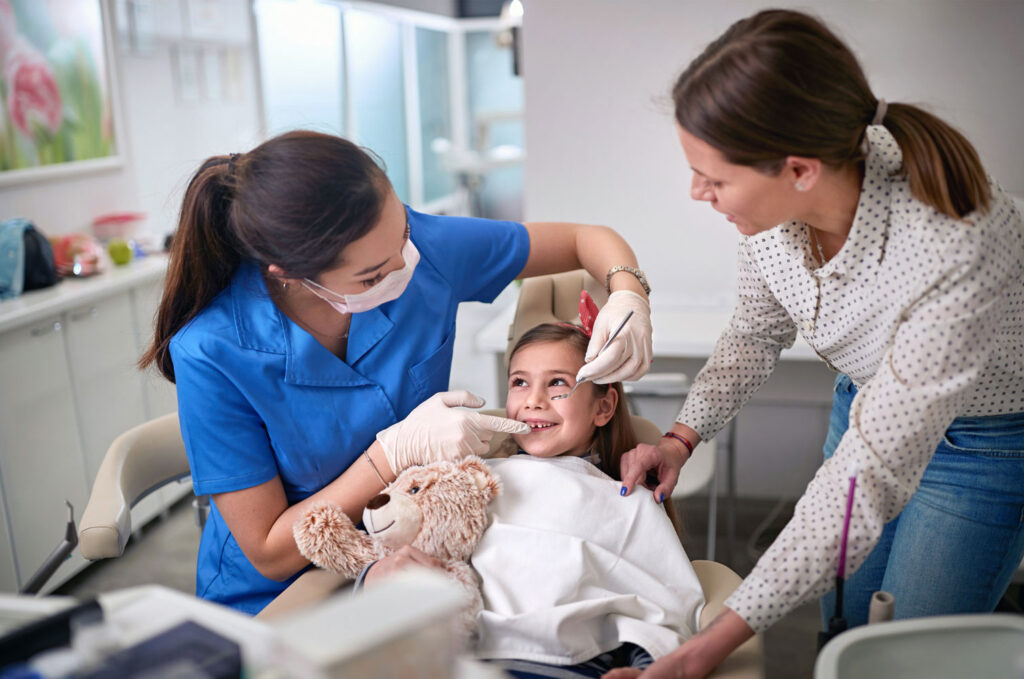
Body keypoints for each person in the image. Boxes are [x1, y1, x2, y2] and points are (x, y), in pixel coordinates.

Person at [611, 9, 1024, 679]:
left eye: (714, 178)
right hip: (863, 407)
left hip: (983, 443)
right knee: (843, 627)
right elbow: (755, 330)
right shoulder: (773, 219)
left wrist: (707, 647)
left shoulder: (955, 242)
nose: (697, 193)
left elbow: (872, 473)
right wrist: (681, 437)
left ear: (799, 168)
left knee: (901, 659)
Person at [140, 130, 654, 615]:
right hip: (285, 593)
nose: (404, 270)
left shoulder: (422, 250)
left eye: (403, 236)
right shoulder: (212, 350)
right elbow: (271, 551)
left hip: (422, 551)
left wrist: (627, 289)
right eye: (372, 274)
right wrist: (391, 455)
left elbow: (588, 238)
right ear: (288, 273)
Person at [470, 319, 704, 679]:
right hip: (466, 654)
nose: (533, 400)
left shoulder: (628, 501)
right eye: (520, 382)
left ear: (603, 407)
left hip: (568, 662)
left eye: (558, 383)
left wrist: (646, 669)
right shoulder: (476, 481)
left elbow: (665, 607)